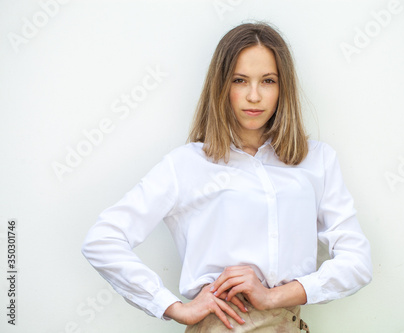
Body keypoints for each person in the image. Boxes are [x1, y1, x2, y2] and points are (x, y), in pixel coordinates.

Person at [81, 21, 372, 332]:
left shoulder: (317, 160)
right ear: (221, 86)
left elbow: (357, 263)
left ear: (283, 87)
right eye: (240, 80)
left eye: (268, 81)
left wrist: (273, 297)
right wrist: (171, 307)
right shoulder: (186, 165)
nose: (254, 95)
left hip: (287, 323)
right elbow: (103, 239)